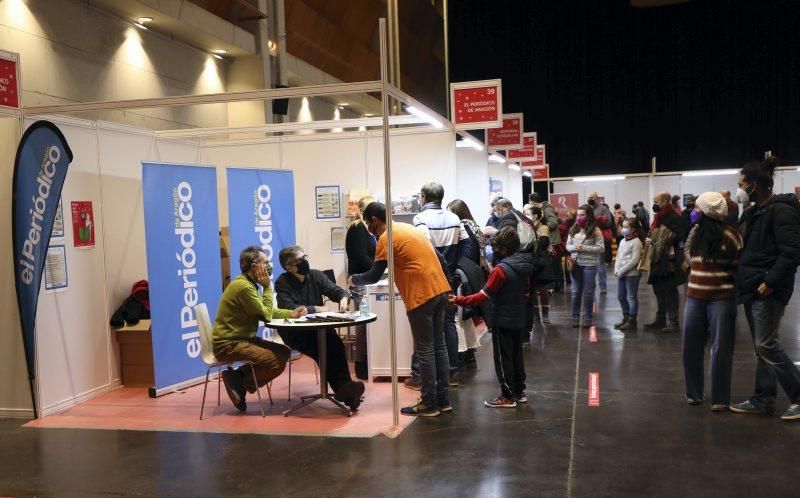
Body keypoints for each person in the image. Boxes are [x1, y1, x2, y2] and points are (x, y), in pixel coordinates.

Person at [350, 202, 453, 417]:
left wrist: (353, 279)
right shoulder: (410, 229)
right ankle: (443, 400)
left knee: (425, 350)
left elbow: (373, 276)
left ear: (374, 220)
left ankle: (429, 403)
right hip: (440, 289)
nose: (368, 229)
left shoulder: (386, 238)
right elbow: (441, 260)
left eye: (367, 223)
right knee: (439, 347)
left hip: (420, 295)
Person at [730, 157, 800, 420]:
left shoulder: (781, 210)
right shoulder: (754, 211)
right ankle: (763, 398)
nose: (737, 188)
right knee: (762, 347)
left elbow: (791, 252)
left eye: (741, 184)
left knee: (765, 343)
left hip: (767, 288)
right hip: (753, 286)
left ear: (753, 185)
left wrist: (770, 281)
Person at [212, 246, 307, 411]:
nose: (269, 266)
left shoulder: (249, 284)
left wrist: (291, 313)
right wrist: (268, 287)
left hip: (244, 339)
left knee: (284, 352)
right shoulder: (243, 287)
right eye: (266, 262)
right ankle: (240, 382)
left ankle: (237, 377)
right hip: (228, 344)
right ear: (255, 266)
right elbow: (266, 315)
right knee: (275, 362)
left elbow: (267, 310)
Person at [449, 227, 533, 408]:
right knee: (517, 356)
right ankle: (519, 392)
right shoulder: (524, 265)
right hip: (519, 317)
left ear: (503, 248)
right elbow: (526, 293)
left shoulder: (500, 270)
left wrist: (457, 300)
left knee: (503, 358)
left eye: (496, 248)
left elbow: (482, 296)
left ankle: (507, 396)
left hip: (502, 319)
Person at [274, 246, 365, 411]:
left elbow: (337, 291)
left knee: (335, 344)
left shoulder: (315, 275)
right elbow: (292, 309)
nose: (304, 262)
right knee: (324, 349)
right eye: (299, 260)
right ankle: (345, 391)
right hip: (296, 332)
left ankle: (347, 391)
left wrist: (344, 299)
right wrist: (317, 308)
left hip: (318, 328)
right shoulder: (282, 283)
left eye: (304, 257)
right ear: (289, 266)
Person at [681, 192, 742, 411]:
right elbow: (688, 253)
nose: (693, 212)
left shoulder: (731, 235)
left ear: (706, 212)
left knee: (721, 349)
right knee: (691, 346)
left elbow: (739, 267)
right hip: (694, 298)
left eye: (697, 208)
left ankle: (720, 398)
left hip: (722, 299)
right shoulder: (696, 232)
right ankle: (693, 393)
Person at [408, 182, 472, 389]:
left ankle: (420, 376)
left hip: (428, 279)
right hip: (450, 278)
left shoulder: (420, 219)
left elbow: (425, 244)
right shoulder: (454, 218)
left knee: (424, 328)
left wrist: (438, 266)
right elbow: (467, 242)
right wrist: (454, 267)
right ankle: (452, 373)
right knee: (448, 325)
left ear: (424, 197)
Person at [447, 199, 488, 368]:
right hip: (474, 273)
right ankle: (469, 355)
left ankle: (462, 356)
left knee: (459, 318)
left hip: (462, 276)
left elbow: (464, 254)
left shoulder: (462, 227)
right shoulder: (474, 225)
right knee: (466, 317)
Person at [644, 191, 689, 333]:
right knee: (658, 289)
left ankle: (674, 322)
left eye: (656, 202)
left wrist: (660, 239)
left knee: (670, 290)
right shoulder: (659, 217)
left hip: (670, 260)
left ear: (665, 201)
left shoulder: (675, 217)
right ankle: (660, 319)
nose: (654, 205)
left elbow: (680, 237)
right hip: (658, 258)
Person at [345, 196, 377, 379]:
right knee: (363, 324)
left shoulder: (366, 230)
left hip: (367, 279)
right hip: (361, 281)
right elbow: (360, 256)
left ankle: (366, 363)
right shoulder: (358, 228)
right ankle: (361, 364)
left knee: (365, 323)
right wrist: (378, 270)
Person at [565, 205, 605, 328]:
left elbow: (601, 248)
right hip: (575, 264)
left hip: (590, 265)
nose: (579, 217)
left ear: (588, 216)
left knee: (588, 293)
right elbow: (567, 246)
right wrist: (574, 247)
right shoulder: (573, 229)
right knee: (575, 292)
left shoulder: (595, 230)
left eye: (582, 215)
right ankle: (575, 317)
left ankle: (588, 318)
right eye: (578, 214)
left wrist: (585, 248)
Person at [528, 192, 564, 292]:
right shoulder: (542, 209)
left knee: (555, 264)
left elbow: (553, 223)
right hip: (550, 239)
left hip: (553, 240)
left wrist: (541, 225)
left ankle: (559, 285)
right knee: (554, 264)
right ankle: (557, 285)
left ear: (534, 201)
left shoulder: (547, 209)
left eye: (530, 202)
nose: (530, 204)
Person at [613, 217, 643, 331]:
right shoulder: (622, 240)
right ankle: (625, 317)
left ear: (633, 229)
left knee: (631, 296)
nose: (623, 229)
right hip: (621, 274)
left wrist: (621, 271)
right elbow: (618, 256)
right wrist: (616, 269)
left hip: (632, 274)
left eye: (626, 227)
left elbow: (635, 260)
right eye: (623, 226)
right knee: (620, 296)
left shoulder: (637, 242)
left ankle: (632, 320)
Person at [529, 206, 554, 323]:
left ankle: (545, 314)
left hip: (541, 262)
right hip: (531, 261)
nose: (527, 215)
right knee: (532, 289)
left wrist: (533, 240)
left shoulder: (543, 227)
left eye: (529, 213)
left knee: (543, 288)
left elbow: (543, 243)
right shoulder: (527, 226)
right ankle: (535, 314)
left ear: (536, 215)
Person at [587, 192, 612, 294]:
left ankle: (603, 287)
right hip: (588, 239)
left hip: (599, 238)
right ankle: (591, 285)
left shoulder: (603, 209)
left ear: (597, 198)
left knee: (600, 264)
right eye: (588, 198)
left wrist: (599, 221)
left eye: (591, 198)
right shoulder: (587, 208)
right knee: (589, 264)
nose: (590, 199)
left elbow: (609, 223)